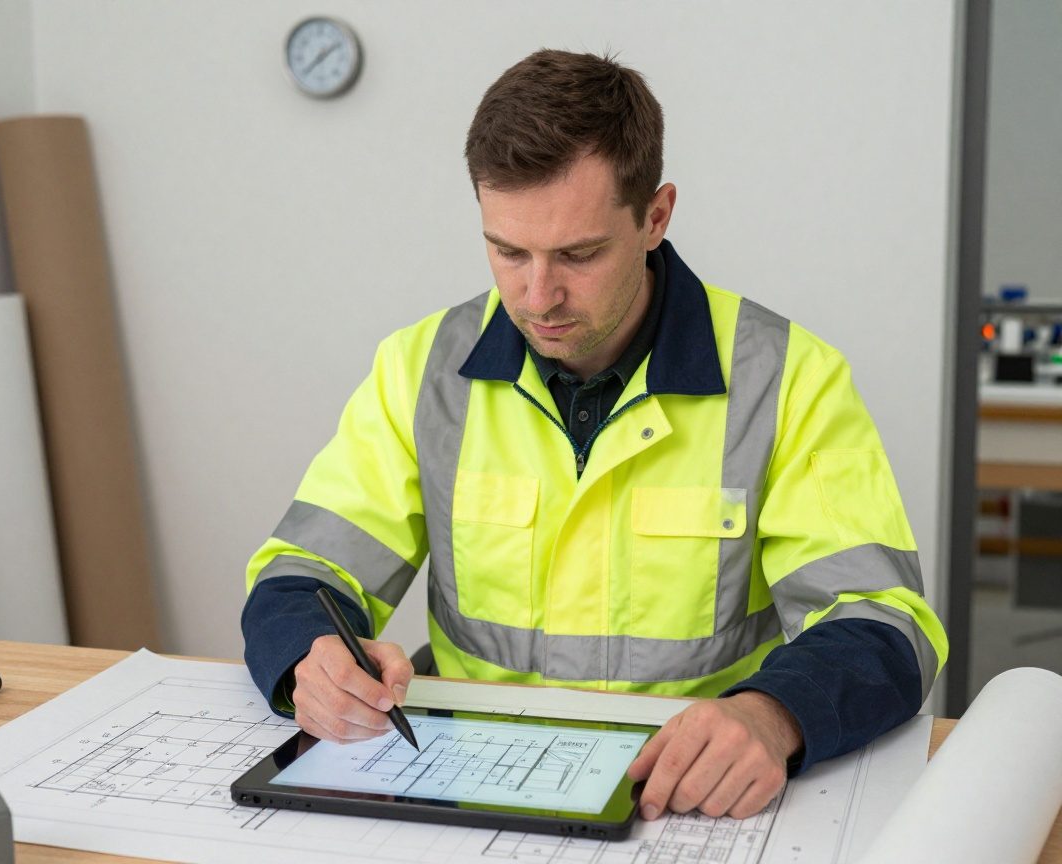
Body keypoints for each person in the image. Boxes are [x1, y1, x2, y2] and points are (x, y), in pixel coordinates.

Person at [242, 49, 947, 822]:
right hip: (465, 783)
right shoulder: (419, 369)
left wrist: (771, 715)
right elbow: (306, 567)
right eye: (508, 251)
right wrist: (311, 654)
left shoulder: (789, 378)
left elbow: (884, 620)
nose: (537, 295)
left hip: (682, 800)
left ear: (655, 216)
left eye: (578, 255)